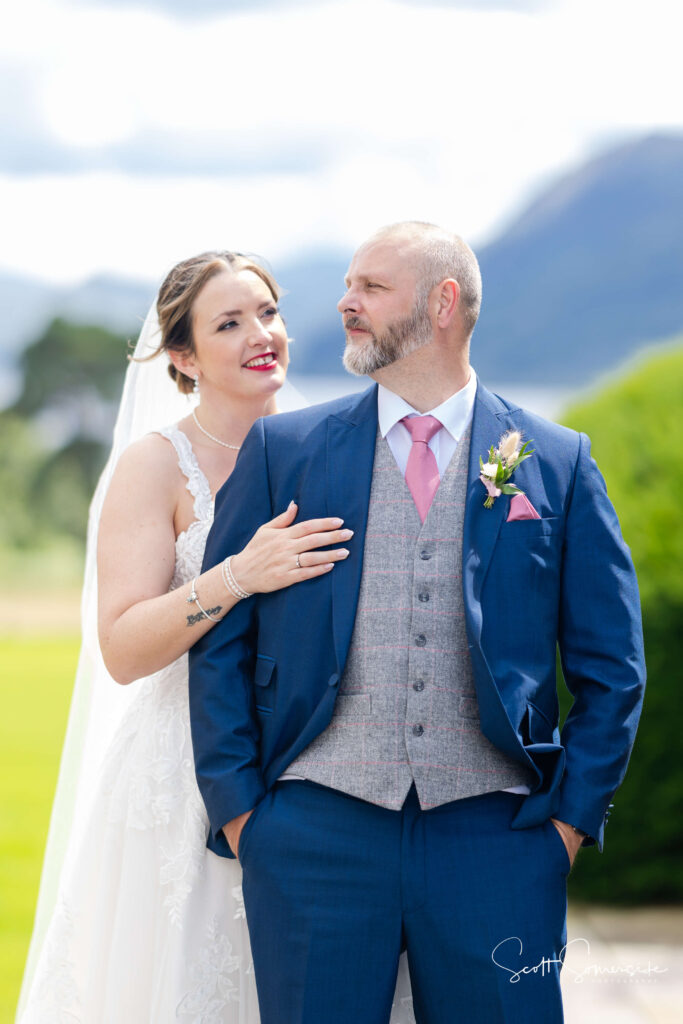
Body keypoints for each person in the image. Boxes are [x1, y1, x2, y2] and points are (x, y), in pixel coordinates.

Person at [189, 222, 647, 1024]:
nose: (344, 303)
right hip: (312, 837)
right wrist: (246, 816)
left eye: (370, 287)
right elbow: (221, 643)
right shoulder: (282, 450)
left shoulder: (555, 459)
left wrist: (566, 827)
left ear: (442, 303)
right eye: (347, 285)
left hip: (498, 839)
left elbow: (612, 668)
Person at [15, 251, 356, 1023]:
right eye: (228, 323)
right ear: (182, 355)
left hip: (317, 764)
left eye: (266, 312)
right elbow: (124, 649)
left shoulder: (329, 451)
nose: (260, 334)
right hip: (184, 768)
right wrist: (238, 574)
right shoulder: (156, 467)